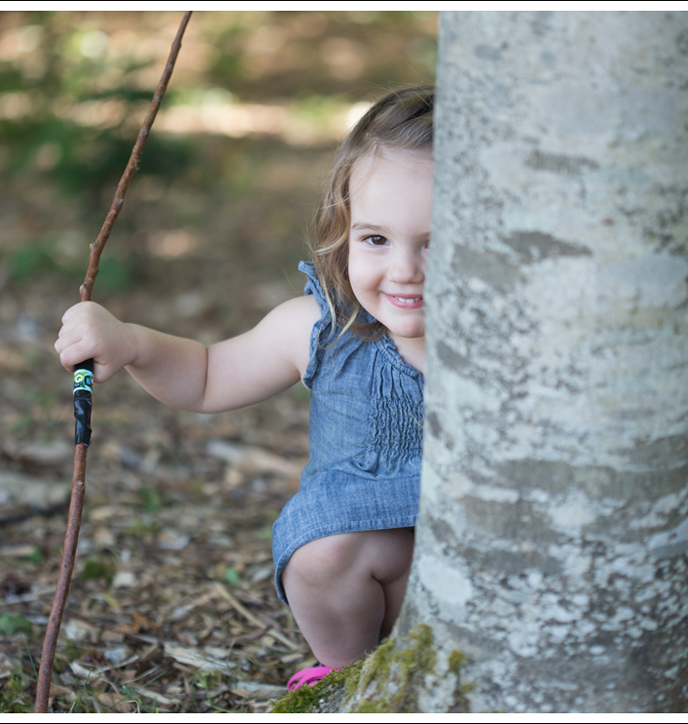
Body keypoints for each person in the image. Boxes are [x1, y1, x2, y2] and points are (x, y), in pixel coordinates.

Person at [55, 86, 434, 690]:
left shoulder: (505, 350)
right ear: (342, 231)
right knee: (321, 553)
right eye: (376, 239)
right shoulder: (322, 328)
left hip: (485, 555)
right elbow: (208, 376)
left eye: (436, 242)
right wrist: (131, 343)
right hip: (378, 568)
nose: (405, 270)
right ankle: (351, 681)